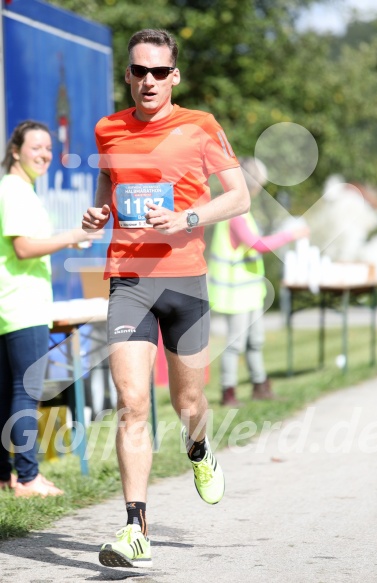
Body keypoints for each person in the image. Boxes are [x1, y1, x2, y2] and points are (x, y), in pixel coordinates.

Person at [81, 28, 250, 569]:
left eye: (159, 71)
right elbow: (110, 185)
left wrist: (188, 217)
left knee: (188, 403)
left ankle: (198, 449)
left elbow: (240, 197)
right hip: (128, 279)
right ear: (127, 76)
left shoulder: (200, 126)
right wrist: (99, 211)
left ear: (174, 76)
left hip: (185, 281)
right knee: (133, 404)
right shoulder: (108, 128)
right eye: (139, 71)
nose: (148, 80)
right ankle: (135, 530)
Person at [0, 120, 100, 498]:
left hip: (12, 303)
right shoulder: (15, 190)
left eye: (47, 148)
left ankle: (6, 475)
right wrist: (73, 235)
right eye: (35, 147)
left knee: (7, 392)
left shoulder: (18, 188)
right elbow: (24, 247)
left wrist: (65, 243)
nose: (43, 154)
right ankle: (28, 478)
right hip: (22, 305)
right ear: (15, 151)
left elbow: (24, 245)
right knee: (27, 391)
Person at [207, 159, 310, 406]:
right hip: (236, 293)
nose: (257, 191)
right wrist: (291, 235)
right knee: (235, 344)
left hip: (249, 290)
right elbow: (257, 245)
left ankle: (259, 385)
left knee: (256, 340)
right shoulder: (235, 214)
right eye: (257, 186)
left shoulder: (241, 210)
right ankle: (228, 392)